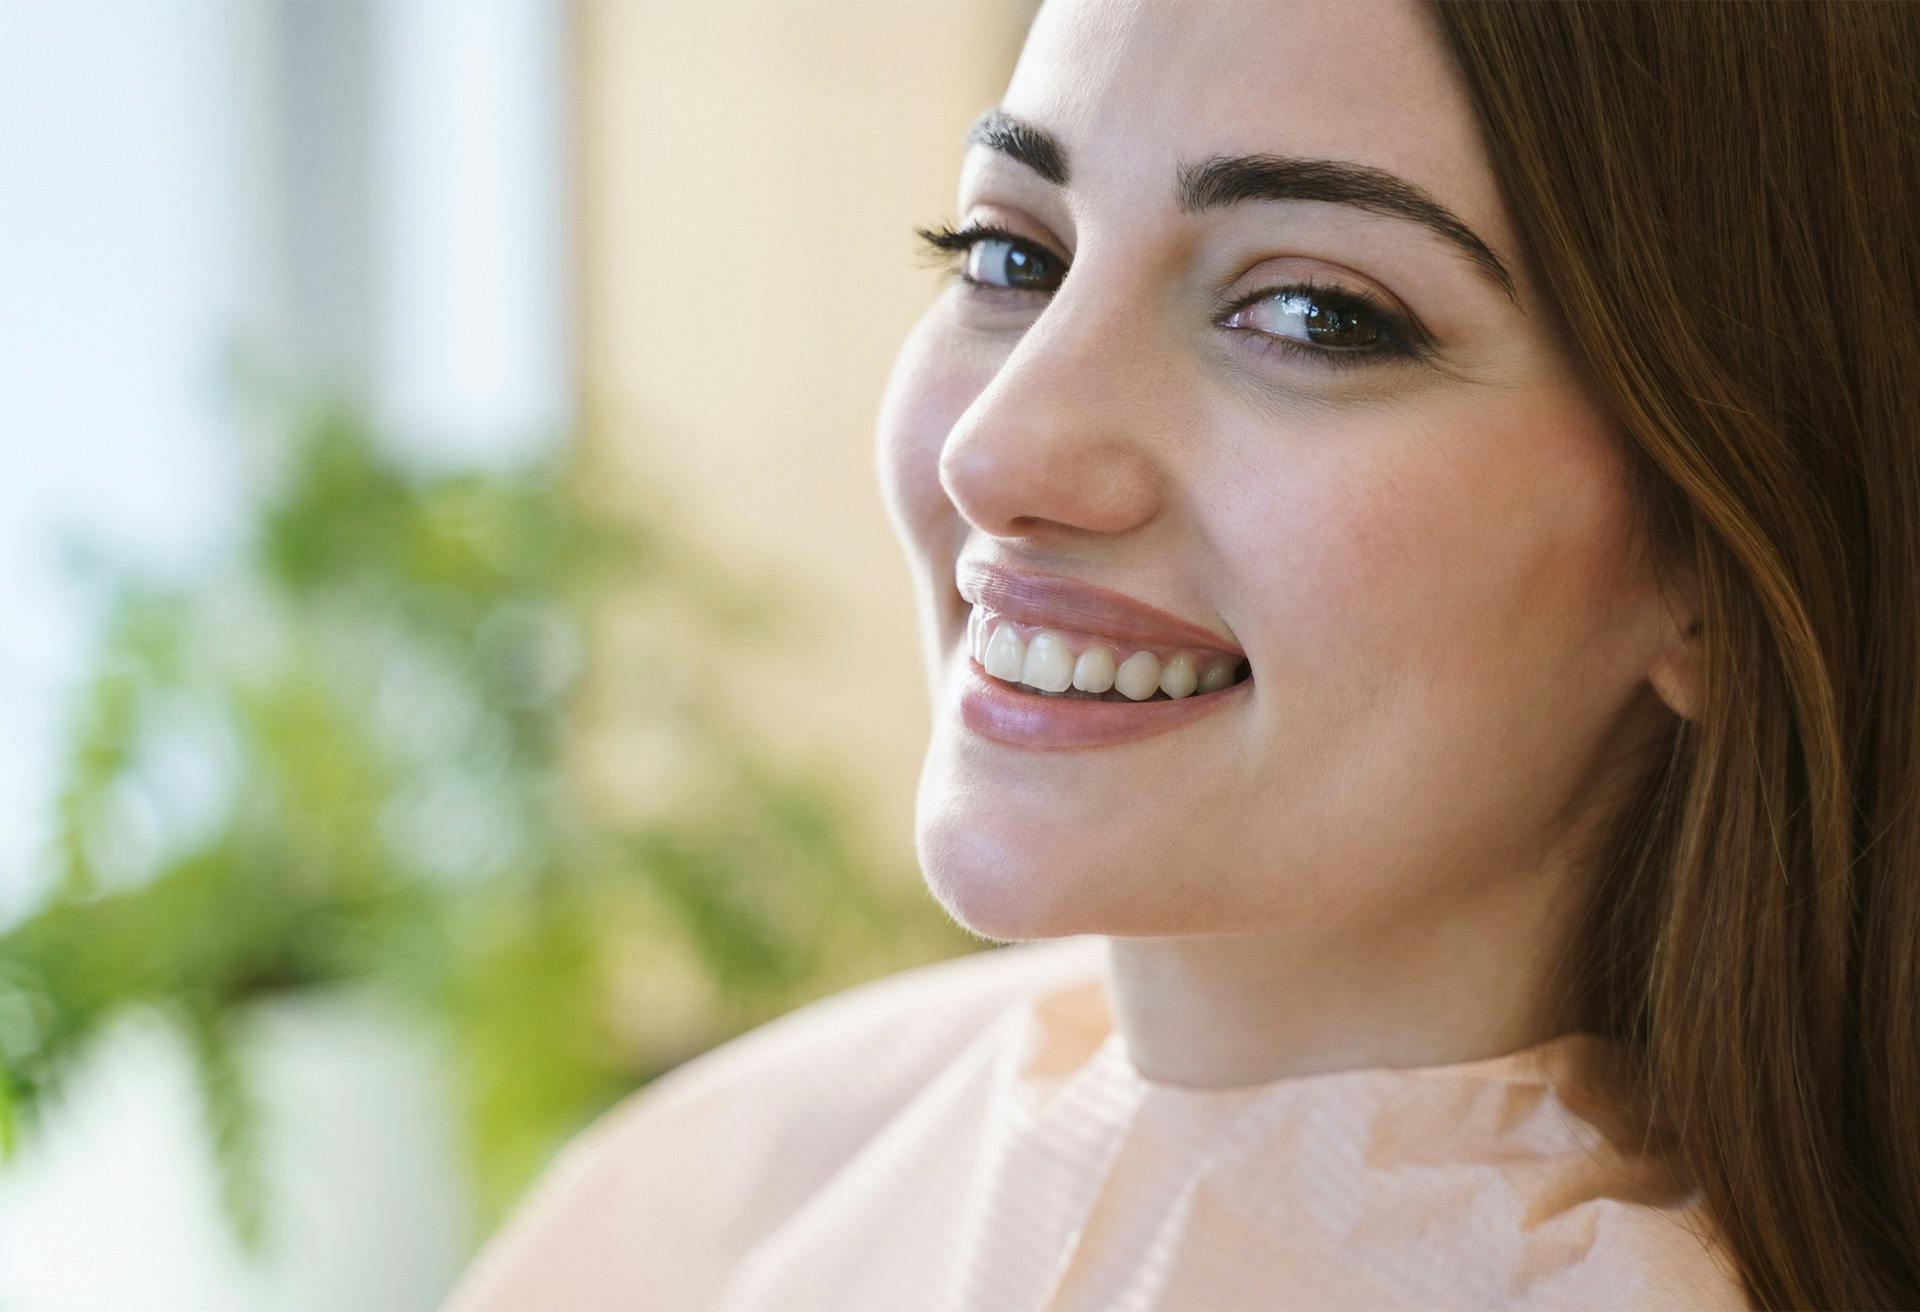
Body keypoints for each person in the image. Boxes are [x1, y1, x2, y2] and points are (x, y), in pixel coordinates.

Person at [442, 1, 1920, 1308]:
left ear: (1714, 565)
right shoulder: (741, 1180)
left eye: (1314, 314)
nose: (997, 448)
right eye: (1009, 251)